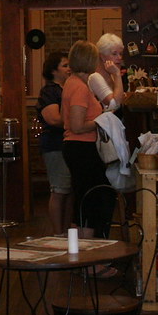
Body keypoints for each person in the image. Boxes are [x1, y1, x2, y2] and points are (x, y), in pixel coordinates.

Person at [61, 40, 115, 239]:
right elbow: (77, 125)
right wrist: (102, 121)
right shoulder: (80, 88)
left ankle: (82, 249)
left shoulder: (71, 82)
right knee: (94, 198)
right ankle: (91, 251)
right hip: (82, 148)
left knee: (84, 197)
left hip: (75, 147)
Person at [36, 52, 74, 236]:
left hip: (69, 144)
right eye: (65, 65)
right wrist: (78, 120)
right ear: (53, 70)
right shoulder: (49, 91)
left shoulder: (69, 88)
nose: (69, 69)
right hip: (55, 144)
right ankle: (58, 233)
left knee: (70, 190)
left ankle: (67, 232)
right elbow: (54, 119)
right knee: (59, 189)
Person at [87, 33, 125, 111]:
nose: (119, 57)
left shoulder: (111, 75)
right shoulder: (95, 77)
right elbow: (115, 105)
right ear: (102, 57)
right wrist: (117, 74)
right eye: (114, 54)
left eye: (120, 54)